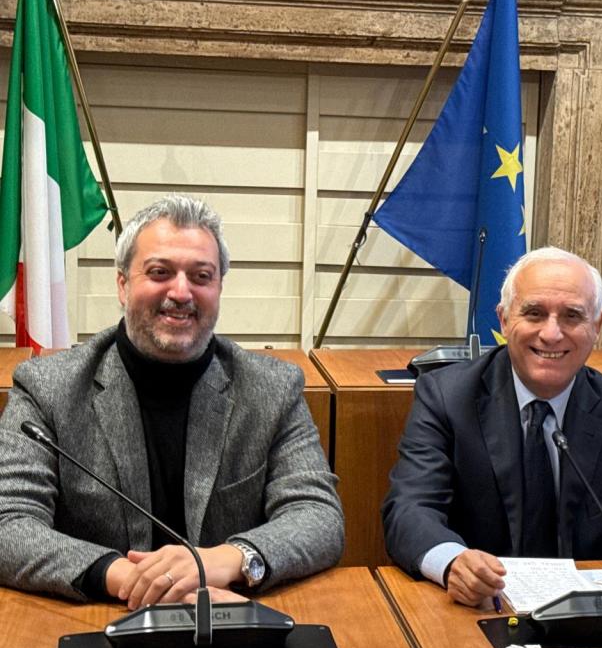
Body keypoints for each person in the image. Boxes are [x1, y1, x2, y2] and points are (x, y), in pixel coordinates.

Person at [0, 195, 344, 606]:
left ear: (218, 288)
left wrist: (227, 559)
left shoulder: (271, 388)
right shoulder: (49, 388)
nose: (181, 292)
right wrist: (136, 578)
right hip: (100, 619)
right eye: (160, 272)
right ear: (123, 284)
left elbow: (318, 516)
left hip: (231, 619)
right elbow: (8, 523)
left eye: (201, 276)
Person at [382, 247, 602, 607]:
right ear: (503, 319)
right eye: (534, 313)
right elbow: (409, 509)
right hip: (479, 608)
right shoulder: (449, 397)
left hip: (589, 620)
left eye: (572, 316)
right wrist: (451, 561)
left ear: (598, 326)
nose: (552, 333)